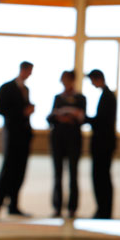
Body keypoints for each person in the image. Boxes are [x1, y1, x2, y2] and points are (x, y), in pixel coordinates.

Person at [0, 61, 35, 221]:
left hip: (24, 135)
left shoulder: (26, 89)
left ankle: (13, 205)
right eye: (29, 71)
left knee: (20, 172)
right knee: (7, 171)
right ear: (23, 70)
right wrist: (22, 112)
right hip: (11, 135)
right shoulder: (6, 87)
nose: (30, 74)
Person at [46, 70, 86, 218]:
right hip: (58, 138)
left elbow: (83, 117)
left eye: (68, 80)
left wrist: (73, 116)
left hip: (73, 139)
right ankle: (57, 207)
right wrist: (59, 117)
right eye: (63, 80)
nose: (65, 83)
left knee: (73, 174)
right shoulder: (58, 98)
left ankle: (72, 208)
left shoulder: (80, 98)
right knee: (57, 174)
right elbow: (50, 117)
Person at [86, 69, 117, 219]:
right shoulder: (107, 95)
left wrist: (85, 118)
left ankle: (104, 210)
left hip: (103, 144)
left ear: (97, 79)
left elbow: (102, 122)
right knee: (102, 177)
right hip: (104, 143)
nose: (92, 84)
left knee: (101, 177)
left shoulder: (108, 96)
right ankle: (103, 209)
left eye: (92, 81)